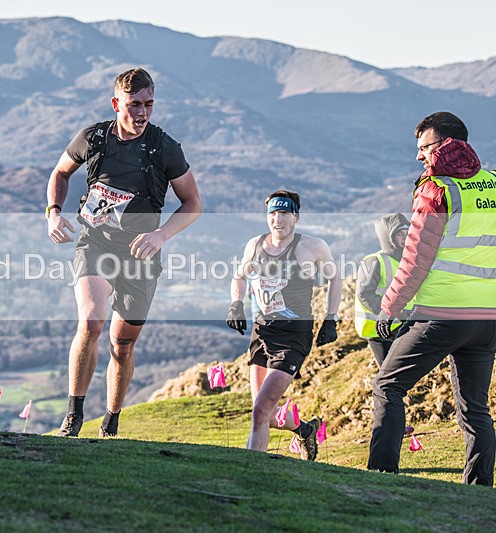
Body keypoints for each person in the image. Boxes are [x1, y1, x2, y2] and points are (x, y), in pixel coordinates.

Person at [368, 112, 496, 486]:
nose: (419, 156)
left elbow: (415, 258)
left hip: (440, 314)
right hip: (486, 318)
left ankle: (381, 477)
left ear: (446, 144)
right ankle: (479, 489)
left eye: (424, 147)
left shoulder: (435, 188)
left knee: (387, 386)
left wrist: (389, 307)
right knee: (475, 409)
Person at [46, 68, 201, 438]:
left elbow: (192, 203)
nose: (142, 112)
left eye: (149, 104)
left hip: (141, 253)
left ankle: (111, 420)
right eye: (134, 105)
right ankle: (73, 414)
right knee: (91, 322)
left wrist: (161, 235)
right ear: (117, 104)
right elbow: (60, 173)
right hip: (95, 242)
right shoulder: (94, 137)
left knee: (123, 344)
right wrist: (53, 212)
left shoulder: (165, 148)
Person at [226, 190, 342, 459]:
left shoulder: (312, 247)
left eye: (285, 213)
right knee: (264, 413)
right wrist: (236, 304)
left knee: (259, 412)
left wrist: (331, 318)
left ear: (296, 217)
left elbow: (335, 278)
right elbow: (239, 275)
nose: (278, 219)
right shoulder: (255, 245)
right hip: (262, 332)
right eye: (273, 213)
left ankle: (251, 471)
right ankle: (305, 430)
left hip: (293, 336)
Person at [355, 213, 413, 366]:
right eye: (400, 234)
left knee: (402, 372)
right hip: (379, 331)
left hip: (404, 325)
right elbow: (365, 294)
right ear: (388, 237)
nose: (405, 238)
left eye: (408, 233)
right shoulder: (375, 261)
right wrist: (394, 313)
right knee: (389, 375)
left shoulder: (410, 260)